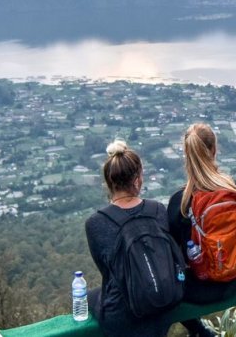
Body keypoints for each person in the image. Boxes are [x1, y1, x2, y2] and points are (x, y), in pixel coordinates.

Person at [84, 140, 173, 337]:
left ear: (108, 182)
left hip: (122, 318)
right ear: (138, 179)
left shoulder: (95, 223)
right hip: (162, 306)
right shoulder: (157, 209)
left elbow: (109, 274)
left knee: (89, 297)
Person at [168, 123, 236, 337]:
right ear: (214, 150)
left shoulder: (180, 203)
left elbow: (175, 257)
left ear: (187, 154)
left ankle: (200, 332)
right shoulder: (232, 188)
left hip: (197, 289)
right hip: (231, 280)